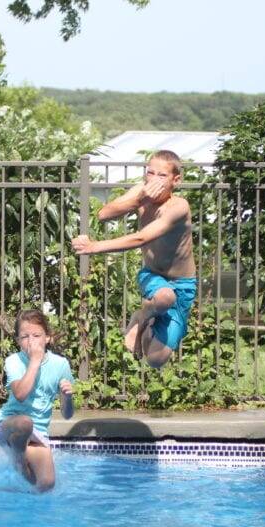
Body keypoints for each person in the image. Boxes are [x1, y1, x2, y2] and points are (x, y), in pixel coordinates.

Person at [71, 150, 197, 369]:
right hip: (153, 275)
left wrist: (94, 246)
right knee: (165, 296)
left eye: (162, 176)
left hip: (184, 284)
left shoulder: (179, 207)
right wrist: (140, 199)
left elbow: (141, 237)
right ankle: (143, 314)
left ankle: (146, 320)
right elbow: (104, 213)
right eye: (150, 173)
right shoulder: (141, 193)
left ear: (176, 180)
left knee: (156, 360)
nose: (154, 180)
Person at [0, 310, 74, 492]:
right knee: (25, 422)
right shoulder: (13, 361)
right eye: (25, 337)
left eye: (37, 335)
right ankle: (19, 458)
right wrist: (35, 361)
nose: (31, 341)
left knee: (45, 485)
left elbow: (67, 415)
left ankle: (13, 496)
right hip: (8, 425)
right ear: (18, 341)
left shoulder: (60, 365)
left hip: (37, 434)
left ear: (47, 338)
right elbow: (20, 395)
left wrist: (67, 397)